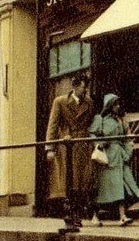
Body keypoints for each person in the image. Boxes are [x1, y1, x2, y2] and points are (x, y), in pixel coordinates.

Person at [45, 73, 95, 216]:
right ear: (74, 86)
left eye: (86, 88)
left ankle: (79, 211)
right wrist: (50, 148)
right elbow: (52, 125)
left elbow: (90, 123)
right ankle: (70, 214)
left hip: (84, 145)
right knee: (68, 181)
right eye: (83, 88)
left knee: (84, 181)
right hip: (67, 146)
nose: (85, 91)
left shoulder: (89, 102)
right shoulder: (60, 102)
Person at [90, 94, 139, 226]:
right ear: (109, 106)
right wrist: (99, 144)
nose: (118, 107)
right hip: (106, 158)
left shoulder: (120, 119)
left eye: (118, 104)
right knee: (103, 189)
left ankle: (122, 215)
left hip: (119, 156)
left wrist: (128, 151)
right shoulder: (99, 119)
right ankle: (95, 215)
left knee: (123, 185)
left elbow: (126, 136)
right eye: (115, 104)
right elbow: (92, 134)